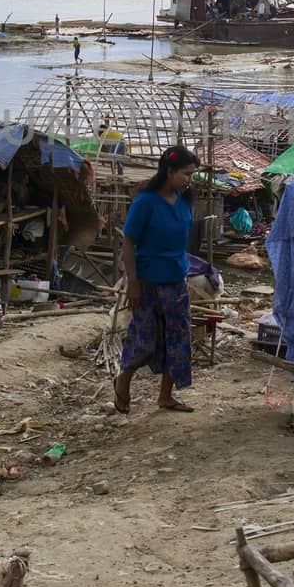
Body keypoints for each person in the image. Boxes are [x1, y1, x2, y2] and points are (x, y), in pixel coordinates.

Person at [114, 146, 200, 413]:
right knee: (143, 338)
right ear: (170, 171)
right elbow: (129, 243)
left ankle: (166, 396)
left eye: (192, 174)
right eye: (186, 174)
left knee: (178, 338)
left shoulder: (186, 201)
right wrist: (133, 283)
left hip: (176, 281)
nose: (190, 180)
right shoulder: (145, 202)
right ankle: (123, 381)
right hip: (148, 281)